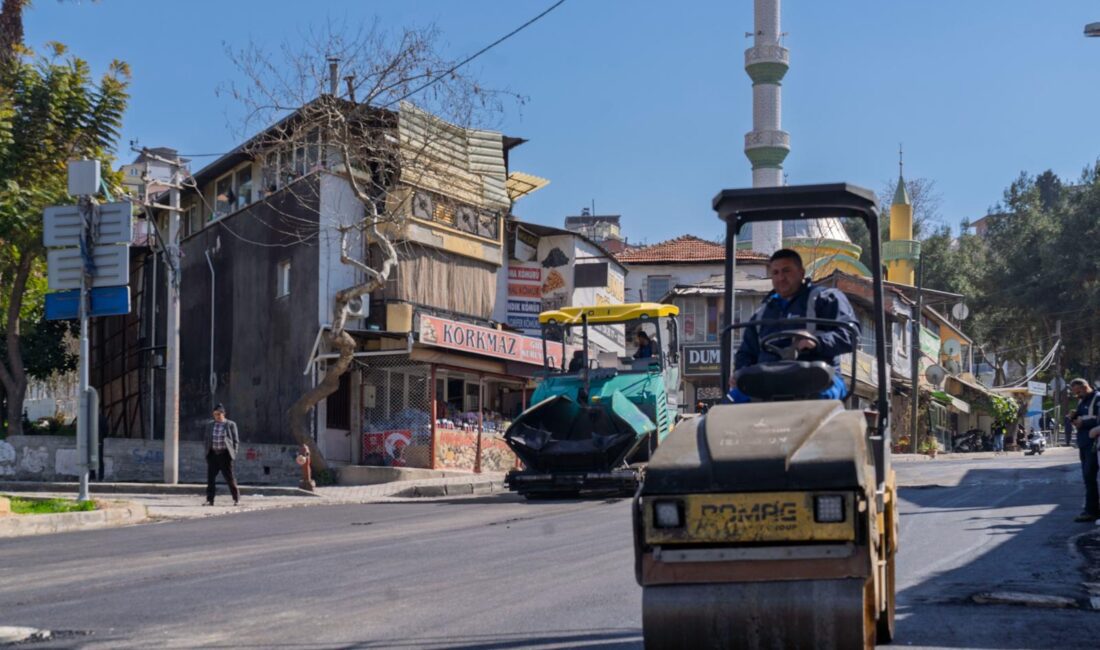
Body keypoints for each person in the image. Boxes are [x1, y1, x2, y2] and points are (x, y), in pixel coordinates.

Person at [728, 249, 859, 403]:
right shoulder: (762, 313)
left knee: (822, 397)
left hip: (817, 375)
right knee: (730, 402)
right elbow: (746, 352)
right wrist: (740, 373)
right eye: (775, 273)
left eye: (786, 271)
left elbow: (850, 335)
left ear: (801, 273)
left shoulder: (825, 299)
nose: (781, 277)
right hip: (768, 380)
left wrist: (817, 342)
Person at [1069, 378, 1100, 522]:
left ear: (1086, 387)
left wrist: (1084, 422)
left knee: (1090, 476)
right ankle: (1091, 509)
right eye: (1075, 393)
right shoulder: (1082, 401)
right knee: (1088, 478)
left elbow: (1096, 420)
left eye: (1078, 391)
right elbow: (1080, 419)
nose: (1077, 395)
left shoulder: (1097, 399)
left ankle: (1091, 511)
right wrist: (1074, 418)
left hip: (1094, 445)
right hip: (1084, 444)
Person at [203, 403, 241, 506]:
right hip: (213, 455)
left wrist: (234, 453)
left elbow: (235, 440)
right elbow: (207, 439)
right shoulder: (210, 425)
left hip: (225, 455)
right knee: (210, 479)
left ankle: (236, 499)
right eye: (215, 414)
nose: (217, 416)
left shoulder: (230, 424)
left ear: (224, 414)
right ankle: (210, 500)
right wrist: (207, 453)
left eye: (219, 414)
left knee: (230, 478)